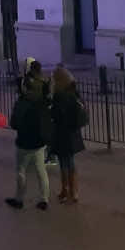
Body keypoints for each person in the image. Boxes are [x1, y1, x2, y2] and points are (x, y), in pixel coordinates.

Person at [5, 74, 52, 211]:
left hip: (24, 141)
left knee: (21, 171)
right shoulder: (41, 101)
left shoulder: (21, 102)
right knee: (41, 170)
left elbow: (14, 123)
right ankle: (44, 199)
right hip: (38, 142)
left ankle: (19, 199)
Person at [50, 65, 85, 203]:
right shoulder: (74, 93)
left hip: (62, 134)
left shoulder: (59, 96)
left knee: (64, 163)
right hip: (73, 134)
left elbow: (55, 115)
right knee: (70, 162)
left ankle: (66, 190)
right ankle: (73, 191)